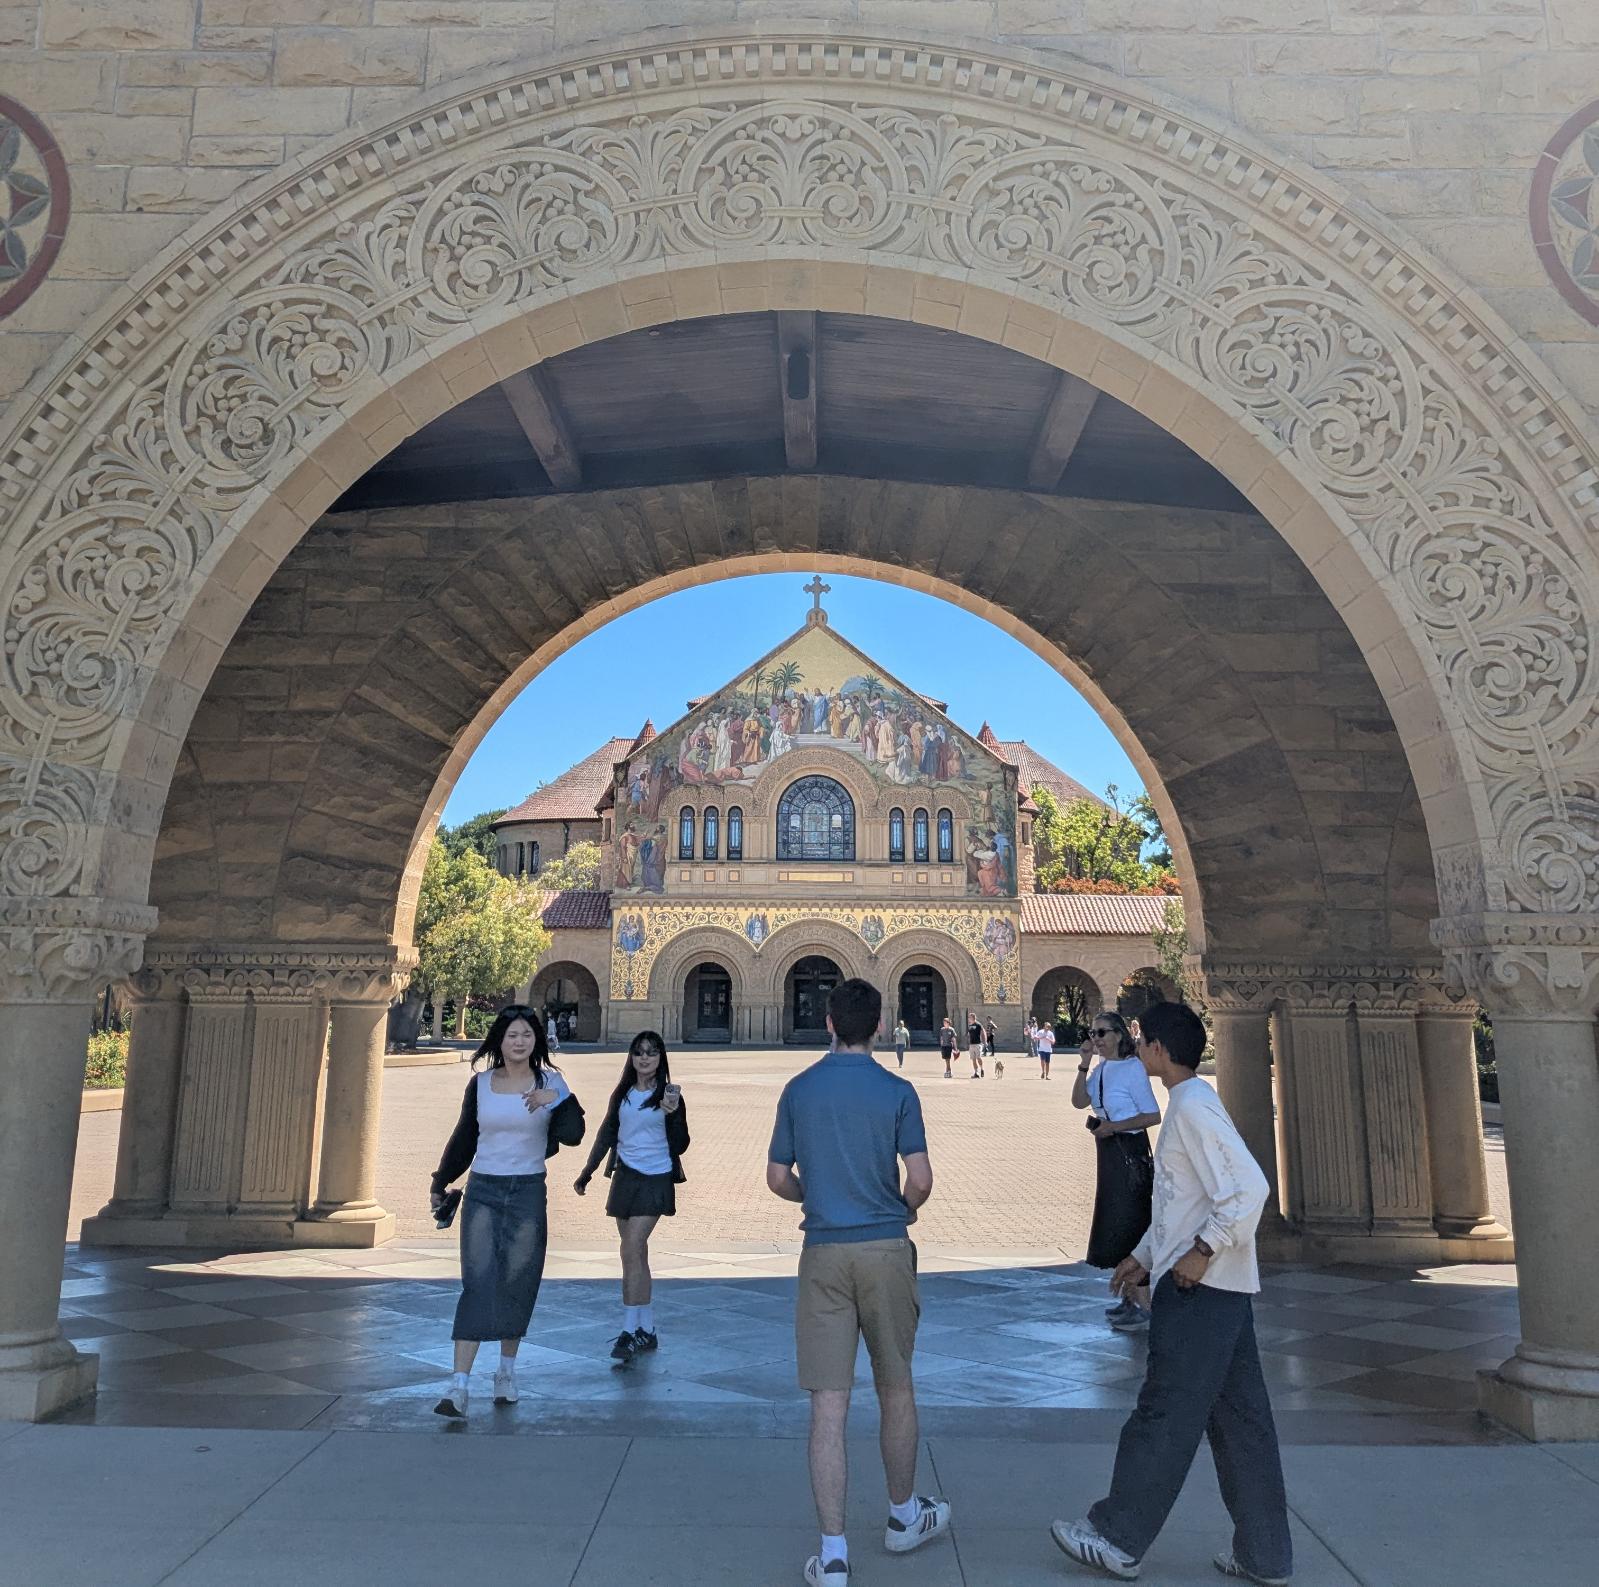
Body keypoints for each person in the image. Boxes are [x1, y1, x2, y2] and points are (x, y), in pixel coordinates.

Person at [1051, 1001, 1288, 1587]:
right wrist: (1144, 1256)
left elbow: (1247, 1190)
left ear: (1156, 1048)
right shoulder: (1193, 1103)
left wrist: (1199, 1253)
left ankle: (1117, 1537)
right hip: (1223, 1292)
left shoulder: (1192, 1106)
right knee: (1242, 1424)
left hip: (1201, 1291)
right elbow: (1185, 1202)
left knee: (1163, 1413)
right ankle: (1265, 1554)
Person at [767, 978, 951, 1584]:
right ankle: (903, 1518)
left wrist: (811, 1194)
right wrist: (903, 1208)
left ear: (827, 1023)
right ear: (879, 1025)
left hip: (823, 1250)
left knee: (828, 1406)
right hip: (886, 1249)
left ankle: (835, 1554)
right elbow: (920, 1177)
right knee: (896, 1387)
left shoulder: (799, 1089)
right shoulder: (897, 1090)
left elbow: (776, 1176)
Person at [430, 1005, 585, 1417]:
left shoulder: (551, 1081)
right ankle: (458, 1386)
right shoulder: (480, 1084)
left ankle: (506, 1371)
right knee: (478, 1280)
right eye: (513, 1035)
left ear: (537, 1040)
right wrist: (440, 1179)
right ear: (500, 1039)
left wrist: (558, 1096)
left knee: (519, 1279)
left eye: (527, 1035)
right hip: (484, 1189)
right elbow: (465, 1135)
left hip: (528, 1191)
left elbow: (573, 1135)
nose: (520, 1042)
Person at [574, 1030, 690, 1364]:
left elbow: (681, 1144)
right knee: (635, 1255)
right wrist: (588, 1170)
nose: (645, 1058)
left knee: (631, 1248)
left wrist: (672, 1114)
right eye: (639, 1052)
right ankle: (647, 1328)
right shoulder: (623, 1093)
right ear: (632, 1057)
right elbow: (607, 1133)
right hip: (625, 1177)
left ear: (661, 1058)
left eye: (652, 1053)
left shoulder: (669, 1096)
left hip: (656, 1178)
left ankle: (628, 1330)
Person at [1072, 1010, 1162, 1332]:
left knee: (1133, 1223)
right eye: (1092, 1033)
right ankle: (1130, 1299)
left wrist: (1114, 1126)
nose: (1095, 1038)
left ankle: (1147, 1306)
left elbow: (1153, 1115)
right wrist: (1083, 1064)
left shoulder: (1133, 1069)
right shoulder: (1101, 1067)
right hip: (1109, 1151)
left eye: (1101, 1033)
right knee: (1117, 1223)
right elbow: (1078, 1102)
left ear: (1119, 1035)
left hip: (1129, 1151)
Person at [966, 1012, 985, 1079]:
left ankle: (982, 1069)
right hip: (971, 1044)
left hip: (977, 1044)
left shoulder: (978, 1025)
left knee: (978, 1057)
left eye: (969, 1017)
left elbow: (983, 1032)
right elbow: (969, 1033)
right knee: (973, 1059)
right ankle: (976, 1073)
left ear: (973, 1018)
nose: (968, 1019)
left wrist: (984, 1042)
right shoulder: (969, 1025)